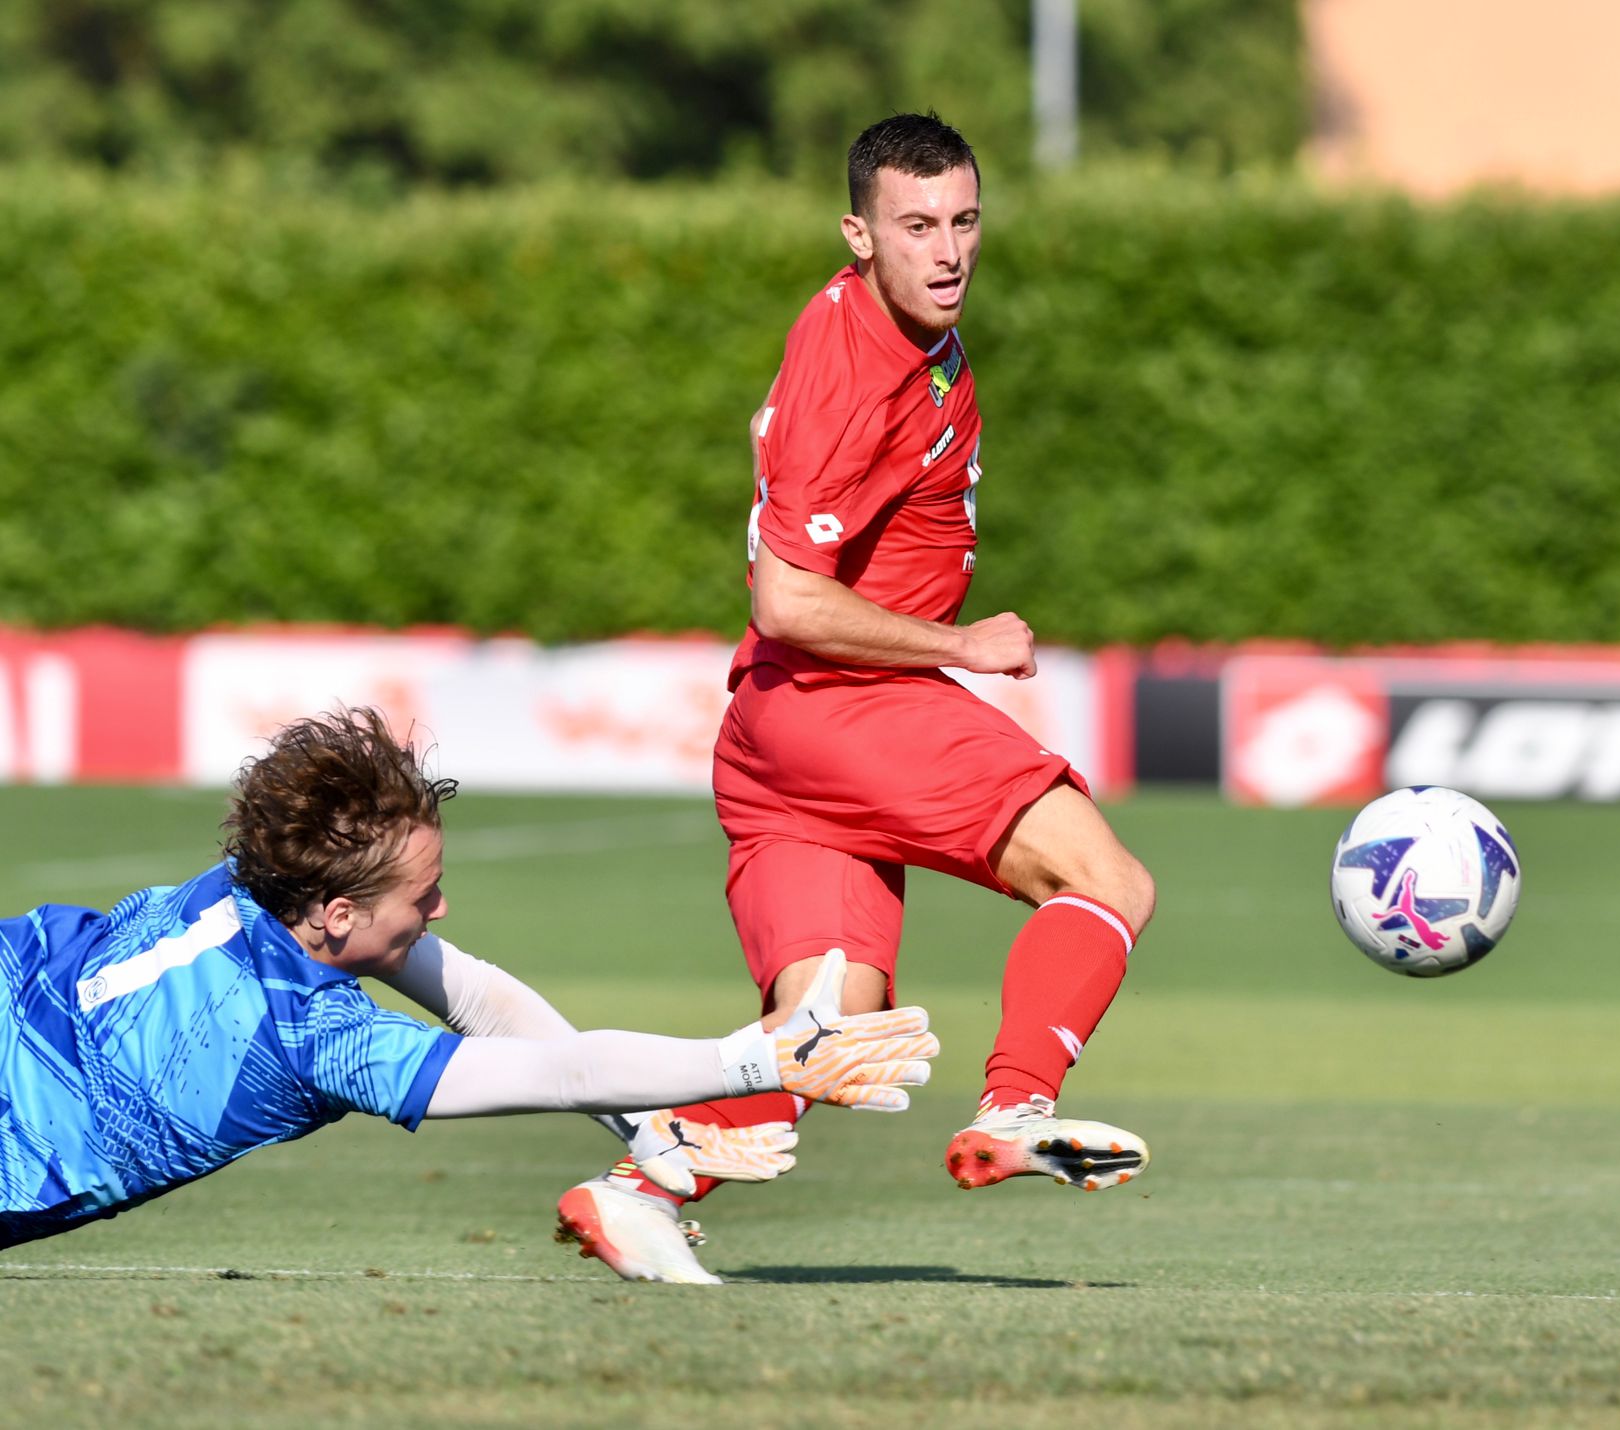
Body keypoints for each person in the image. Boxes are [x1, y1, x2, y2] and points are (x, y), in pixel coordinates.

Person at [554, 111, 1158, 1285]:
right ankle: (1018, 1105)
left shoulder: (878, 326)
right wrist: (963, 642)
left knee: (834, 1044)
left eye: (963, 221)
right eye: (915, 225)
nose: (947, 250)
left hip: (776, 735)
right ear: (858, 233)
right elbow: (787, 599)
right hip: (844, 704)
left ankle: (635, 1192)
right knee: (1106, 878)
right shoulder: (855, 368)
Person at [0, 708, 937, 1274]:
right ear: (334, 914)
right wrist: (760, 1059)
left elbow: (482, 1002)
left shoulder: (246, 886)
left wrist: (651, 1136)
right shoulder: (320, 1040)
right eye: (420, 895)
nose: (441, 908)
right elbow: (563, 1072)